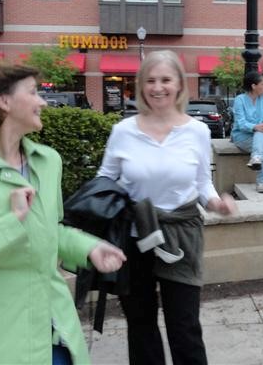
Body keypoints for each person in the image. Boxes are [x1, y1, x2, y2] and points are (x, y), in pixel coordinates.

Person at [0, 60, 126, 364]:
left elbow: (47, 230)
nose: (43, 101)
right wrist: (10, 222)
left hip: (51, 331)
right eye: (33, 92)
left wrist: (87, 246)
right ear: (3, 101)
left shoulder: (47, 161)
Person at [96, 50, 237, 365]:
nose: (157, 87)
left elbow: (202, 183)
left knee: (184, 325)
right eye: (150, 80)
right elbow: (105, 181)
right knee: (140, 324)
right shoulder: (124, 131)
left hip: (180, 236)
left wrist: (217, 204)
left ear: (179, 84)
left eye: (165, 80)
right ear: (141, 85)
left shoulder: (197, 131)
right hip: (134, 236)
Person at [231, 71, 263, 193]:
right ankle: (262, 182)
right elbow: (241, 123)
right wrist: (256, 127)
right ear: (253, 86)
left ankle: (256, 158)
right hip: (242, 137)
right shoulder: (240, 100)